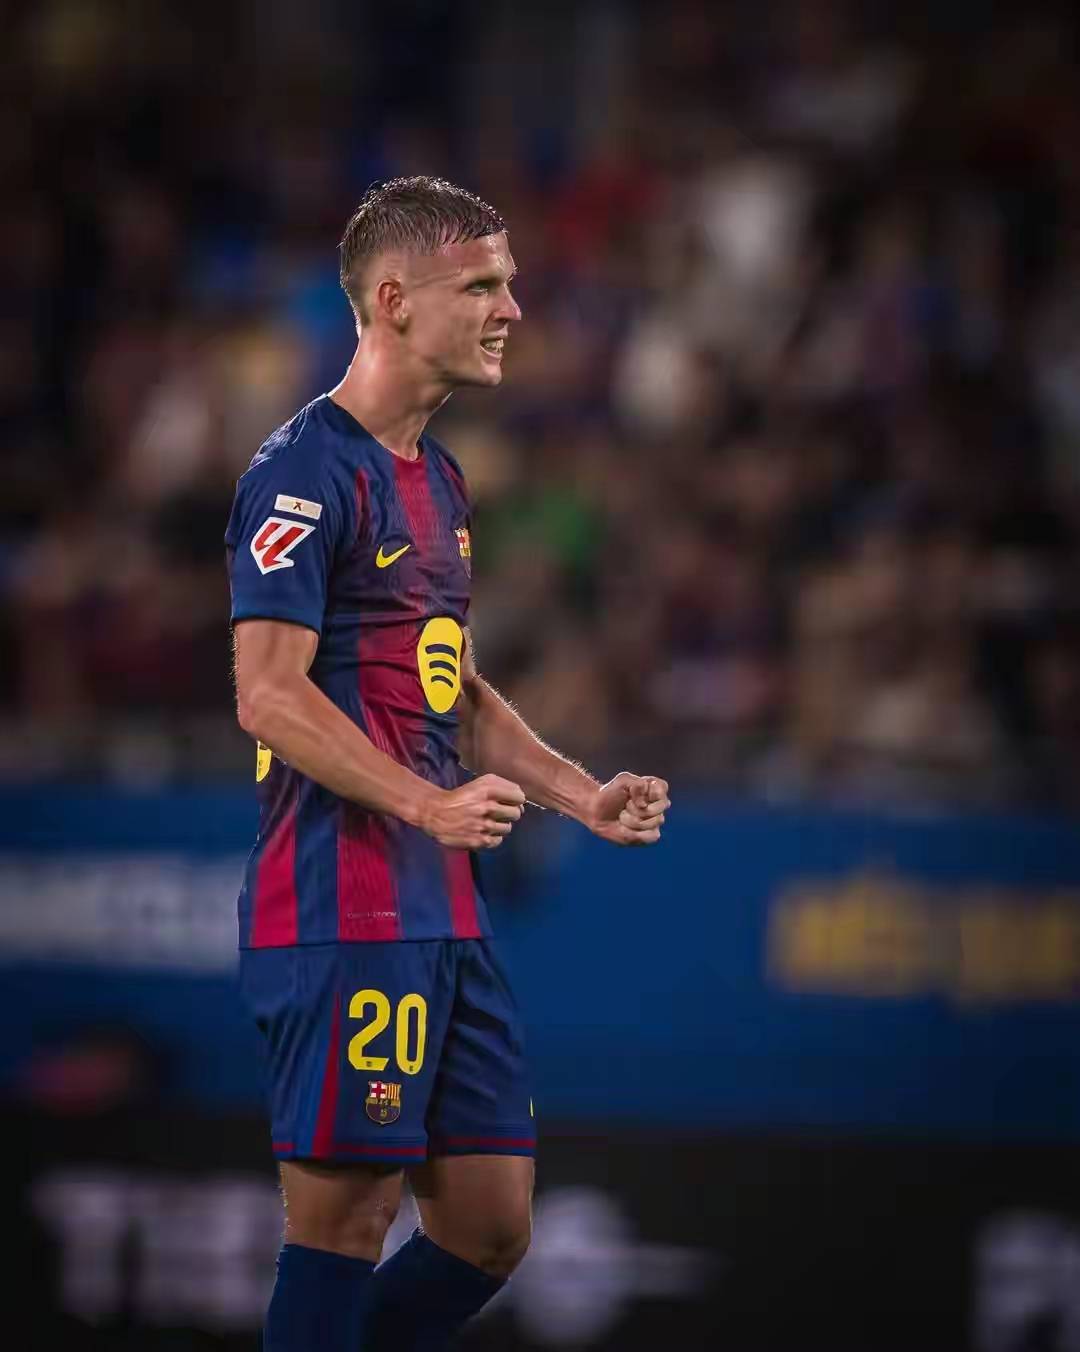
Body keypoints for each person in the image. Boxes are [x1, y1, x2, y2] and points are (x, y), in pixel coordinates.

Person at [225, 175, 670, 1352]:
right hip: (341, 898)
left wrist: (581, 793)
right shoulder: (300, 471)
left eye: (507, 283)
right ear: (393, 301)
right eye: (481, 284)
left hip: (444, 903)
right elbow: (268, 693)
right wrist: (427, 802)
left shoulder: (442, 478)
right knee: (345, 1219)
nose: (511, 307)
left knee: (489, 1224)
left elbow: (451, 692)